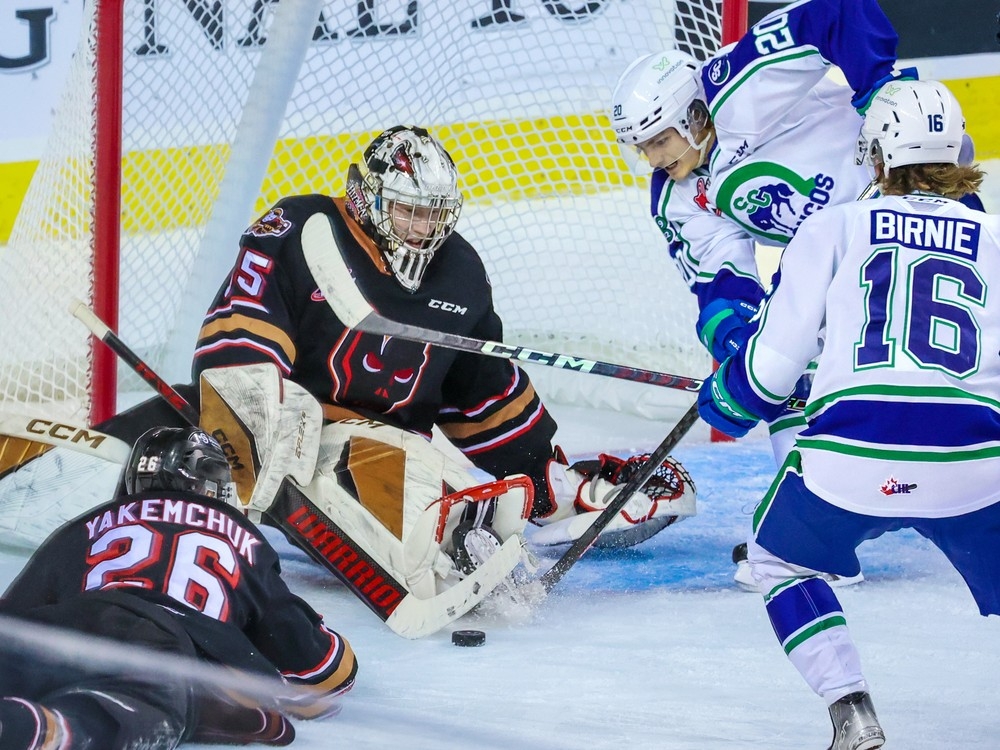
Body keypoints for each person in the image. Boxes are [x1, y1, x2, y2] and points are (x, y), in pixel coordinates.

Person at [99, 125, 697, 635]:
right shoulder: (302, 228)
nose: (422, 228)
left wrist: (539, 473)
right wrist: (248, 424)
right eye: (409, 210)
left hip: (384, 447)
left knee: (451, 484)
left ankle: (486, 525)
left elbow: (481, 388)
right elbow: (241, 334)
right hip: (288, 425)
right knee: (225, 439)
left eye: (434, 214)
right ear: (368, 198)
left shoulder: (458, 273)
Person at [608, 0, 979, 587]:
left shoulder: (737, 81)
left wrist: (877, 86)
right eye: (644, 148)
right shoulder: (677, 198)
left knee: (957, 350)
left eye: (659, 140)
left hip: (909, 186)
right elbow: (719, 282)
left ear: (696, 113)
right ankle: (813, 537)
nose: (653, 159)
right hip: (834, 256)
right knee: (781, 365)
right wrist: (742, 339)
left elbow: (839, 12)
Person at [697, 80, 995, 749]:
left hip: (848, 463)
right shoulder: (998, 237)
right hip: (972, 467)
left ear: (877, 154)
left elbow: (771, 374)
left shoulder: (831, 227)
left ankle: (850, 710)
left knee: (777, 562)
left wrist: (724, 396)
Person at [0, 425, 358, 749]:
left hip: (66, 628)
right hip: (158, 641)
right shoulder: (241, 537)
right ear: (214, 487)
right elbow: (323, 673)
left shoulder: (84, 526)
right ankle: (46, 732)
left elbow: (11, 621)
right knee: (146, 714)